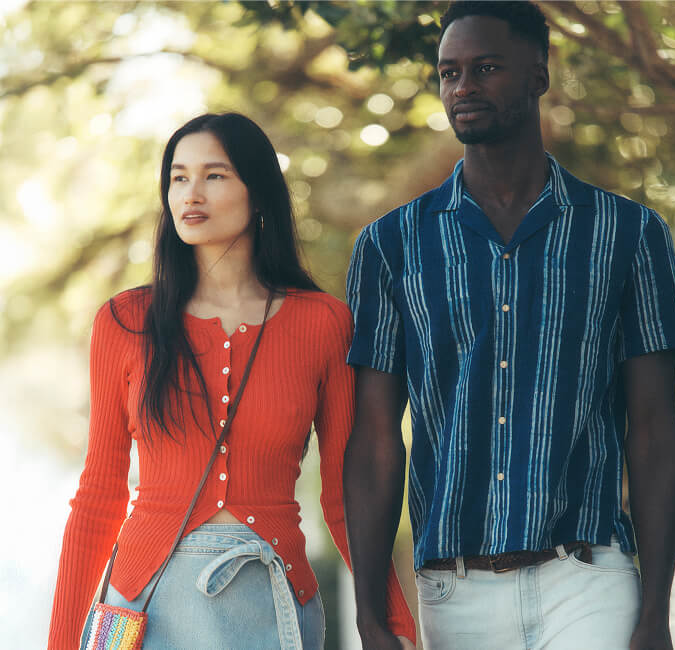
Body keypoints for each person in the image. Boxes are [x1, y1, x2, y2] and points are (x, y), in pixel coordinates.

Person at [343, 3, 675, 649]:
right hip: (455, 589)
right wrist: (371, 616)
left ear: (539, 75)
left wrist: (654, 614)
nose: (464, 88)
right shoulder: (391, 246)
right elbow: (372, 438)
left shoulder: (627, 233)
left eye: (486, 68)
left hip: (587, 576)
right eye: (449, 73)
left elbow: (653, 428)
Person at [48, 112, 415, 649]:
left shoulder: (322, 323)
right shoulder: (125, 321)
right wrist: (59, 642)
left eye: (214, 175)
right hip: (147, 602)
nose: (190, 193)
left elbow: (345, 492)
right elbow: (100, 492)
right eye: (178, 177)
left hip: (273, 596)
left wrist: (389, 623)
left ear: (258, 193)